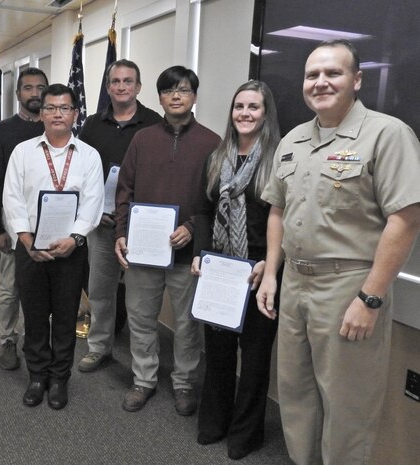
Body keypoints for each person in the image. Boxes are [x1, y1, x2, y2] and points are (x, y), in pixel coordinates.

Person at [256, 40, 420, 465]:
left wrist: (371, 297)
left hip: (348, 288)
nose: (321, 82)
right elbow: (277, 210)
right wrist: (272, 274)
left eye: (333, 73)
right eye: (312, 75)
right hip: (294, 284)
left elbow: (405, 220)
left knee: (348, 406)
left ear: (357, 80)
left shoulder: (387, 134)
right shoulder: (293, 139)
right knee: (295, 395)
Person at [114, 66, 221, 415]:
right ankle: (143, 380)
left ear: (194, 96)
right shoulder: (142, 139)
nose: (176, 96)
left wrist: (191, 226)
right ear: (159, 97)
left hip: (186, 253)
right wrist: (120, 233)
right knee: (141, 318)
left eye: (185, 90)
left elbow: (216, 197)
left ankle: (184, 383)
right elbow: (124, 189)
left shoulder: (211, 142)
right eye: (169, 90)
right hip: (143, 251)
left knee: (188, 323)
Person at [190, 80, 280, 460]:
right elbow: (203, 210)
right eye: (239, 106)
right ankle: (214, 423)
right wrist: (199, 253)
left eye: (253, 107)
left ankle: (245, 435)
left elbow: (286, 218)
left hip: (261, 272)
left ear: (265, 113)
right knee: (220, 351)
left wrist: (272, 264)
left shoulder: (278, 158)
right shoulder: (217, 156)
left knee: (255, 358)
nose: (244, 113)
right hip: (221, 269)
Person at [2, 83, 104, 409]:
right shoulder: (23, 152)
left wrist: (74, 239)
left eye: (64, 108)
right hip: (30, 248)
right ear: (41, 113)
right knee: (33, 316)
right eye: (50, 107)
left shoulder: (89, 156)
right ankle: (37, 375)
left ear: (75, 113)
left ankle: (59, 378)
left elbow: (93, 203)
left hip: (71, 251)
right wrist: (25, 238)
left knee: (64, 318)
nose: (57, 113)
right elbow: (12, 198)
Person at [77, 59, 162, 373]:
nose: (122, 87)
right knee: (100, 290)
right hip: (102, 224)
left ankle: (144, 365)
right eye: (116, 82)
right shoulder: (92, 125)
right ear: (108, 87)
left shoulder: (155, 124)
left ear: (138, 87)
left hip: (141, 227)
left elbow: (160, 174)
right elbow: (81, 172)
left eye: (128, 81)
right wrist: (93, 212)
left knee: (140, 300)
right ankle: (99, 347)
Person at [0, 67, 48, 370]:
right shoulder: (3, 131)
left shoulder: (56, 127)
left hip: (49, 221)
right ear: (18, 93)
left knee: (42, 285)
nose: (34, 93)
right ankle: (7, 340)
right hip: (12, 221)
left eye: (40, 88)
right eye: (28, 88)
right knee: (10, 286)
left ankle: (37, 338)